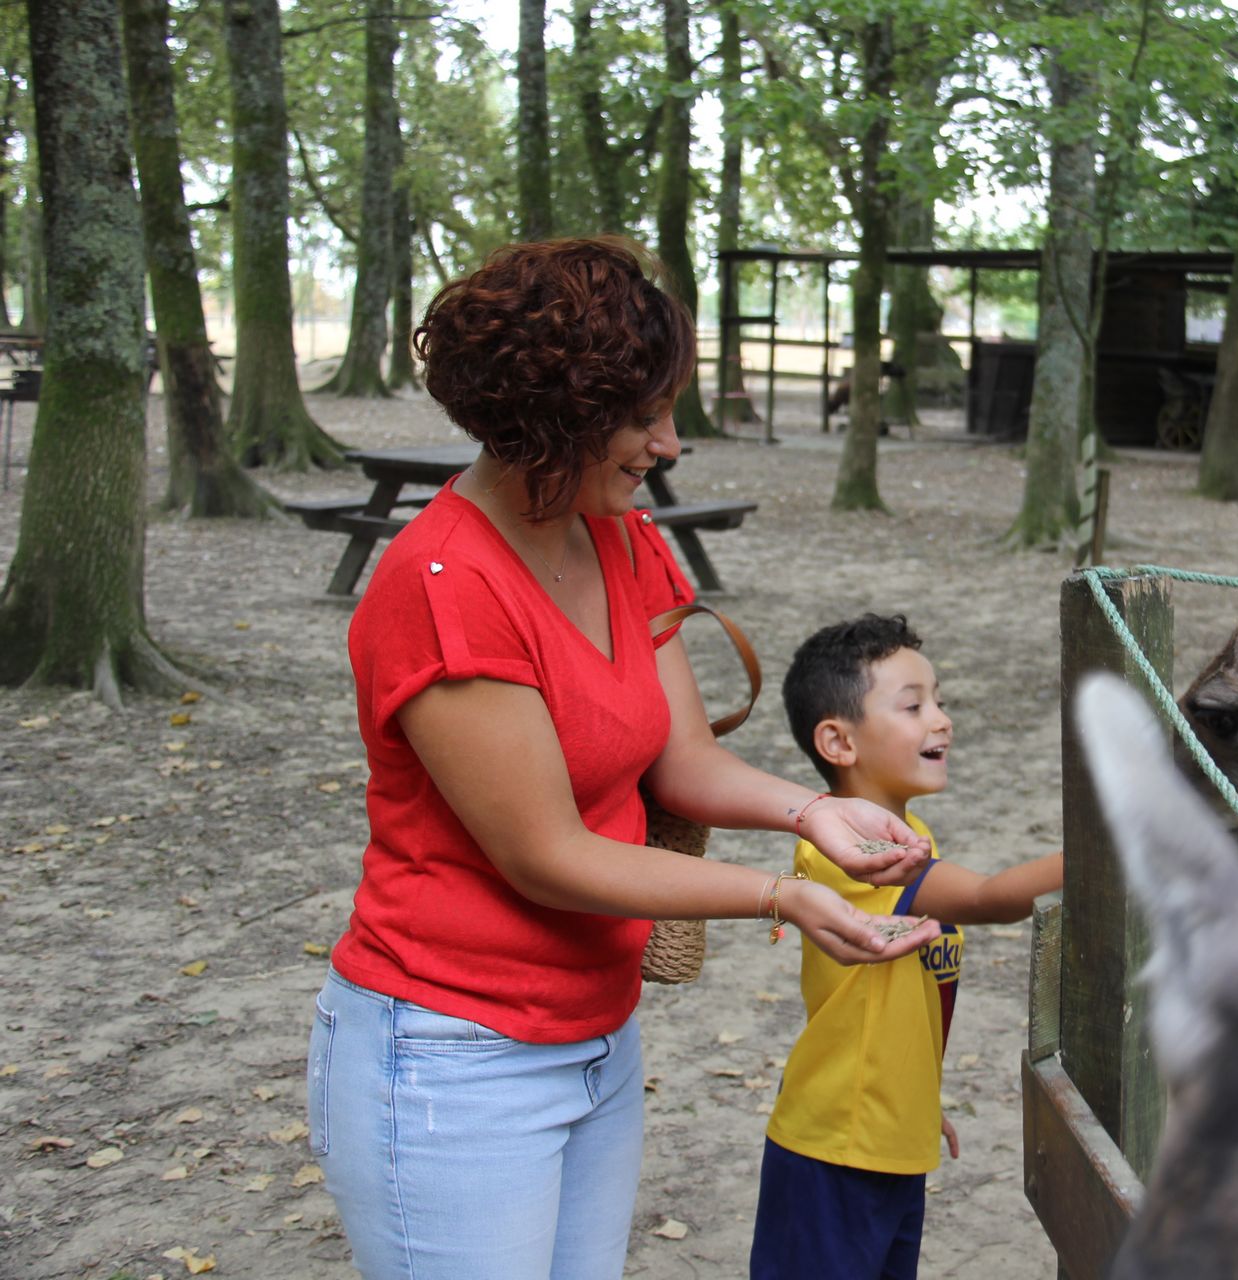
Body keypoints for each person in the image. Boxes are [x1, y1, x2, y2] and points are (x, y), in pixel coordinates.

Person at [304, 237, 941, 1280]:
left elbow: (678, 756)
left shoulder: (619, 537)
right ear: (548, 415)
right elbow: (547, 854)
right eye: (642, 416)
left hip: (597, 1035)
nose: (669, 442)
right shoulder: (442, 583)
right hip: (452, 1056)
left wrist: (808, 812)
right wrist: (780, 899)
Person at [751, 614, 1064, 1280]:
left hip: (891, 1140)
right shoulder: (850, 852)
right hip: (836, 1146)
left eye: (940, 700)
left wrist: (920, 1105)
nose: (942, 719)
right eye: (914, 705)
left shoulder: (909, 829)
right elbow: (989, 901)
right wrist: (1107, 840)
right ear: (838, 741)